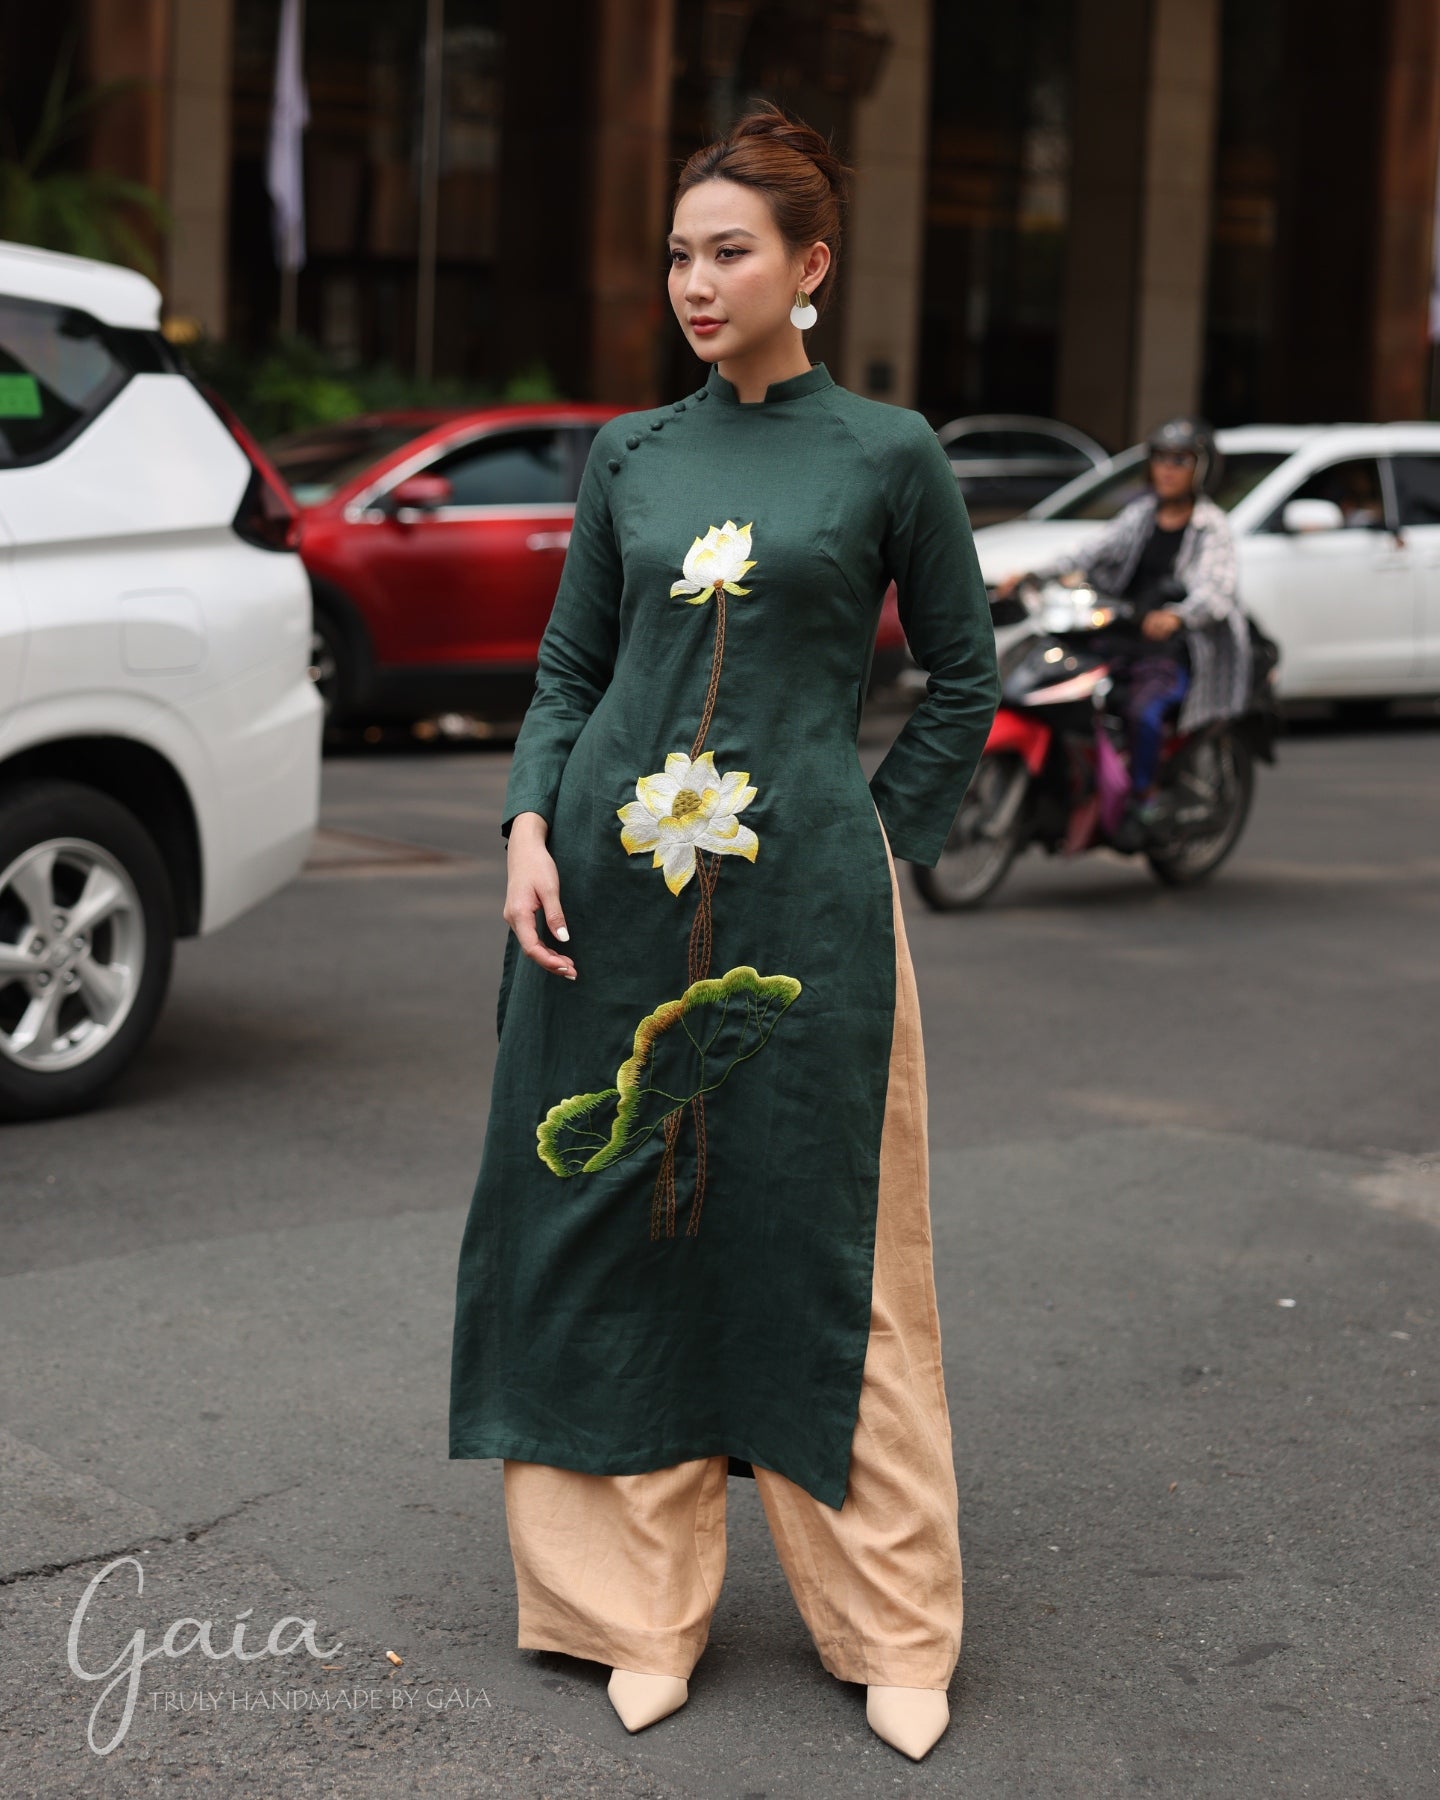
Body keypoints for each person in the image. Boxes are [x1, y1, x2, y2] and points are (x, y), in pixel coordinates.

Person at [448, 101, 1000, 1763]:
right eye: (681, 253)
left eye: (730, 251)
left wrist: (871, 838)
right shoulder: (631, 453)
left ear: (810, 266)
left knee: (826, 1239)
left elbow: (963, 679)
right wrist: (528, 829)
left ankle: (893, 1621)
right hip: (607, 900)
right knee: (610, 1224)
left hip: (806, 903)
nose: (696, 281)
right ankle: (634, 1609)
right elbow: (569, 675)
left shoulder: (888, 452)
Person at [996, 416, 1251, 832]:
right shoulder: (1141, 514)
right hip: (1120, 633)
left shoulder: (1212, 529)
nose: (1167, 469)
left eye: (1180, 459)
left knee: (1142, 710)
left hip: (1172, 647)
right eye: (1160, 459)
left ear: (1202, 469)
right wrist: (1032, 573)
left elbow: (1216, 591)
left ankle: (1143, 797)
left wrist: (1177, 616)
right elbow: (1089, 552)